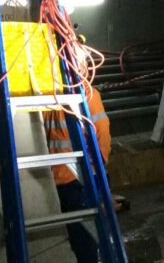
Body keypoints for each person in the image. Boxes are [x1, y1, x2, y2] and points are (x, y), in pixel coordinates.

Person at [44, 75, 111, 262]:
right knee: (89, 235)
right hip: (84, 176)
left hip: (60, 179)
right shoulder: (88, 95)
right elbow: (103, 132)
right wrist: (100, 164)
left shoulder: (48, 98)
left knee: (78, 235)